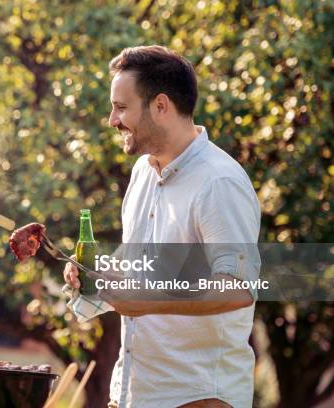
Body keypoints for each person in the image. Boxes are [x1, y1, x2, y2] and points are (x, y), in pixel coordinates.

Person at [63, 46, 261, 407]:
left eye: (121, 108)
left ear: (160, 106)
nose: (112, 119)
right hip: (133, 392)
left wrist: (147, 299)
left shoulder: (219, 182)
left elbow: (238, 288)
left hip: (197, 397)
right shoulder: (142, 172)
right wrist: (99, 273)